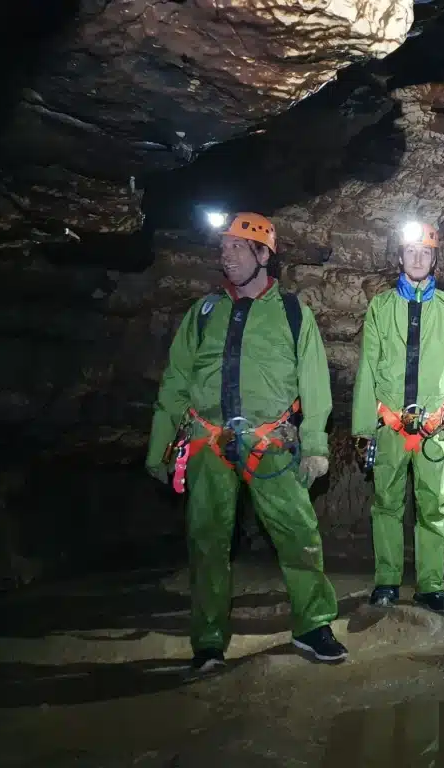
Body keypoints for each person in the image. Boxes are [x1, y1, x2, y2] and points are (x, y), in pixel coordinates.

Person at [145, 212, 346, 670]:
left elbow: (315, 384)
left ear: (263, 254)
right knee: (207, 540)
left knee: (298, 534)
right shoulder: (204, 312)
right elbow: (175, 381)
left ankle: (313, 625)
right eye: (223, 248)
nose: (225, 255)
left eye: (236, 248)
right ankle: (209, 640)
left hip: (269, 441)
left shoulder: (294, 313)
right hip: (207, 441)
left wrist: (315, 444)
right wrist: (158, 447)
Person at [352, 220, 444, 615]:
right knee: (386, 504)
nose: (417, 258)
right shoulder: (381, 306)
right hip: (390, 424)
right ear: (400, 257)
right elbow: (367, 368)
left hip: (433, 428)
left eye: (425, 252)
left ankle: (430, 586)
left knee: (433, 507)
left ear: (435, 258)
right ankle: (386, 582)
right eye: (411, 251)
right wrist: (361, 429)